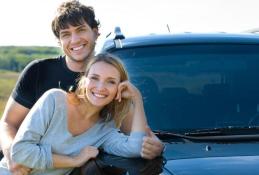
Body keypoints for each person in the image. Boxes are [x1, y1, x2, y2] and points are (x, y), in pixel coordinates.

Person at [0, 0, 164, 174]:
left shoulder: (106, 118)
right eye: (66, 34)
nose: (75, 39)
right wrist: (12, 154)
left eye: (80, 30)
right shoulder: (41, 75)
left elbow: (137, 138)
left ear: (95, 32)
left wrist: (157, 147)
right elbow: (8, 123)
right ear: (83, 81)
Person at [0, 53, 148, 175]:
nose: (100, 87)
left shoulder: (105, 129)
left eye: (110, 82)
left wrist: (137, 98)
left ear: (119, 89)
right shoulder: (55, 100)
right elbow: (19, 152)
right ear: (84, 81)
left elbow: (135, 149)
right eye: (94, 78)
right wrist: (74, 160)